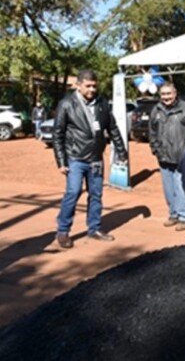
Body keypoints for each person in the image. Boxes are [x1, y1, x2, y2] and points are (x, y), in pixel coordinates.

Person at [52, 69, 128, 249]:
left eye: (94, 86)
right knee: (73, 192)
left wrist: (122, 152)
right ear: (78, 85)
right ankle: (63, 231)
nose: (92, 89)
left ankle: (94, 228)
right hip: (75, 158)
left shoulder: (102, 103)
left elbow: (113, 129)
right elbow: (58, 134)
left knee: (96, 195)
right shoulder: (66, 104)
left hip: (95, 158)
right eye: (88, 86)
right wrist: (61, 161)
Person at [149, 82, 185, 231]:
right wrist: (155, 149)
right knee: (169, 189)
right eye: (163, 94)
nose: (166, 97)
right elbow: (152, 132)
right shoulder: (156, 110)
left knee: (180, 187)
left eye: (168, 94)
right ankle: (173, 214)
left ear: (175, 93)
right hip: (163, 157)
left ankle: (184, 217)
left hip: (182, 157)